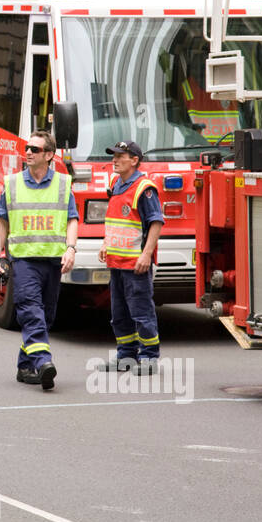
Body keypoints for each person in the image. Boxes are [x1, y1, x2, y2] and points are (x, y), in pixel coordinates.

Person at [0, 130, 80, 390]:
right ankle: (43, 361)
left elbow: (72, 219)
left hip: (52, 262)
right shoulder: (12, 183)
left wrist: (71, 249)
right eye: (27, 148)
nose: (28, 152)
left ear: (49, 155)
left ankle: (25, 365)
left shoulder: (63, 184)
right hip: (24, 261)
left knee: (46, 316)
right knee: (31, 311)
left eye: (35, 149)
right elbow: (2, 222)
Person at [97, 140, 165, 374]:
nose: (114, 160)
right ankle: (126, 356)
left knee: (141, 312)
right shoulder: (116, 183)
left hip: (136, 265)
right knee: (119, 314)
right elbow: (117, 219)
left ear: (134, 160)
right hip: (117, 263)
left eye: (120, 156)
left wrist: (146, 255)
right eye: (113, 155)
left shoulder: (144, 188)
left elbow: (156, 222)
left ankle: (149, 357)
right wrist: (106, 243)